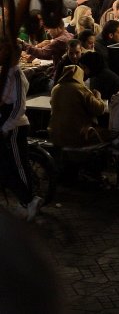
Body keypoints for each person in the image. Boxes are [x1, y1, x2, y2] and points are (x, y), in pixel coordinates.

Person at [1, 44, 43, 221]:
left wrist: (6, 127)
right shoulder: (6, 73)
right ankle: (25, 200)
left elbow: (19, 106)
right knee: (7, 165)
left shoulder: (17, 75)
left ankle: (29, 199)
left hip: (15, 126)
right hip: (6, 123)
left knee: (19, 165)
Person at [48, 64, 107, 148]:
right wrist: (98, 97)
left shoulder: (56, 88)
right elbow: (99, 109)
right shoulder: (81, 89)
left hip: (55, 135)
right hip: (76, 135)